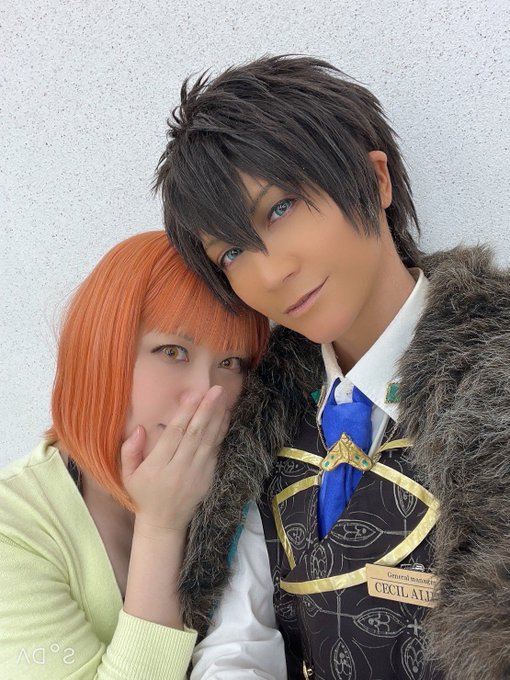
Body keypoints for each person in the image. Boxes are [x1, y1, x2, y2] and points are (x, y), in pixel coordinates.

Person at [155, 56, 510, 680]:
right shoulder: (260, 424)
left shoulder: (496, 380)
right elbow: (238, 646)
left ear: (375, 181)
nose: (269, 273)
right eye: (231, 252)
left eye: (282, 208)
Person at [0, 231, 271, 679]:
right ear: (100, 352)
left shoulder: (251, 489)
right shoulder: (14, 528)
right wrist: (162, 526)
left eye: (231, 363)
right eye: (173, 351)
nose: (206, 392)